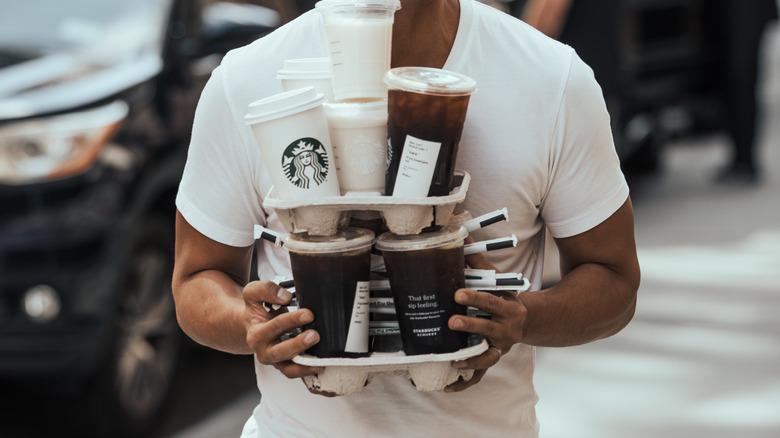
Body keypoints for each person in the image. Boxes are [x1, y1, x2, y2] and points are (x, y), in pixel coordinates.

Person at [172, 0, 640, 436]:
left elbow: (614, 280)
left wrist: (522, 319)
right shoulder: (245, 81)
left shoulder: (550, 79)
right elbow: (195, 279)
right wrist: (251, 325)